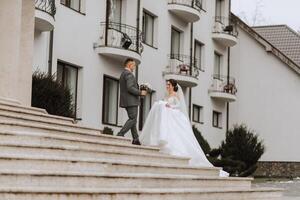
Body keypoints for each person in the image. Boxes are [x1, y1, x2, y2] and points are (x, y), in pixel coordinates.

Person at [140, 79, 228, 176]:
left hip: (173, 114)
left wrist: (171, 107)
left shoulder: (175, 95)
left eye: (169, 84)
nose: (167, 86)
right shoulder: (166, 95)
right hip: (167, 114)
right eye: (167, 84)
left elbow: (179, 106)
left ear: (173, 86)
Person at [117, 58, 147, 145]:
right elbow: (129, 88)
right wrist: (140, 92)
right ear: (129, 65)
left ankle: (136, 139)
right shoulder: (129, 74)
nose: (134, 67)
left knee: (133, 120)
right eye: (134, 65)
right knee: (133, 119)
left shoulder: (123, 74)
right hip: (131, 101)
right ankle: (120, 134)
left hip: (126, 101)